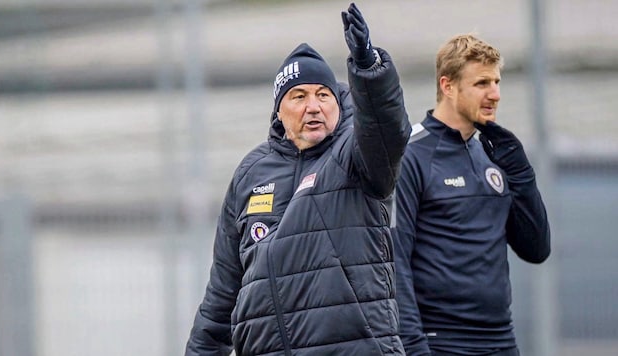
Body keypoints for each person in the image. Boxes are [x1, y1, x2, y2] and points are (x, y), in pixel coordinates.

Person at [185, 3, 411, 355]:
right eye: (299, 96)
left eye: (323, 95)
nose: (314, 106)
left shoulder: (356, 154)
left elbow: (387, 130)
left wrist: (369, 70)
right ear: (279, 109)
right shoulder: (251, 172)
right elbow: (221, 295)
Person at [392, 33, 551, 356]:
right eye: (482, 83)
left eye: (496, 82)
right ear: (448, 86)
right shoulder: (411, 155)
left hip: (501, 339)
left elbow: (536, 249)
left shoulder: (494, 156)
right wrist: (413, 346)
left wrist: (522, 176)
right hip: (440, 342)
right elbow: (394, 261)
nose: (495, 94)